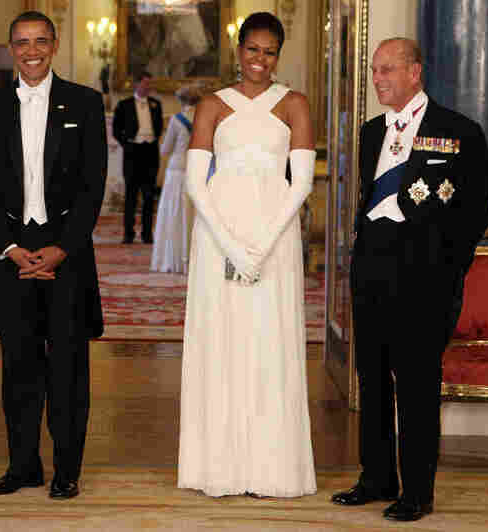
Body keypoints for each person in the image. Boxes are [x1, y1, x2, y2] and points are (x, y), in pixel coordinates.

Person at [330, 38, 488, 522]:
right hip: (372, 267)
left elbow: (473, 213)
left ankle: (417, 491)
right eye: (375, 71)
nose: (377, 78)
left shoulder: (458, 131)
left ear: (414, 72)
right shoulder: (371, 132)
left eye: (386, 70)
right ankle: (376, 477)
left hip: (424, 276)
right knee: (372, 378)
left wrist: (446, 271)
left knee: (417, 383)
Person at [178, 12, 317, 498]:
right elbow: (196, 183)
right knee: (224, 340)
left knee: (268, 342)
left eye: (270, 51)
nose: (260, 60)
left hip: (275, 238)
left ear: (279, 55)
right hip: (219, 238)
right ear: (238, 51)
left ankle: (272, 468)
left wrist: (263, 245)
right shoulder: (211, 105)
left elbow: (299, 184)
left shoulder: (294, 104)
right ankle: (219, 467)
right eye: (252, 49)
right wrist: (234, 246)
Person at [0, 11, 107, 500]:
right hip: (10, 254)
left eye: (41, 41)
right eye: (23, 43)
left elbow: (93, 187)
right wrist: (9, 248)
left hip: (66, 254)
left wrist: (60, 249)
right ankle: (23, 465)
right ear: (12, 48)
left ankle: (66, 470)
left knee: (68, 365)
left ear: (55, 44)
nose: (32, 51)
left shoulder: (86, 104)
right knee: (19, 364)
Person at [150, 85, 201, 273]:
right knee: (193, 214)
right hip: (196, 169)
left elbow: (165, 150)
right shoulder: (203, 118)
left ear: (181, 101)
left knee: (175, 214)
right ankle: (192, 259)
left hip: (177, 169)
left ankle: (173, 259)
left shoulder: (176, 120)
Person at [112, 70, 163, 244]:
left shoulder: (156, 104)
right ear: (137, 84)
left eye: (150, 84)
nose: (148, 87)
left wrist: (152, 139)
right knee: (131, 196)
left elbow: (159, 126)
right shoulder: (124, 104)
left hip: (150, 153)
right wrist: (128, 144)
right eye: (145, 83)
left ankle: (147, 234)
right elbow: (116, 129)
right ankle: (129, 233)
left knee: (149, 197)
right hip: (132, 154)